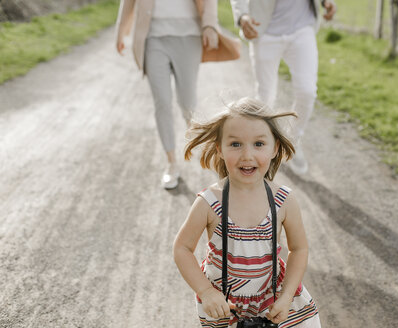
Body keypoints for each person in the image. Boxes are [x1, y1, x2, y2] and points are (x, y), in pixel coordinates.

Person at [173, 97, 321, 327]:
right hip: (224, 304)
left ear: (275, 149)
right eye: (235, 144)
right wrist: (206, 292)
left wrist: (287, 296)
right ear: (219, 149)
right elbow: (182, 248)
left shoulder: (284, 201)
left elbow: (299, 248)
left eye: (258, 144)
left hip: (274, 297)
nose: (247, 155)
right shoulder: (210, 202)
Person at [115, 0, 219, 189]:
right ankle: (171, 162)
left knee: (188, 104)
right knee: (162, 102)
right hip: (153, 37)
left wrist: (210, 24)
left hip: (189, 36)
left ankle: (203, 151)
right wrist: (121, 31)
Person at [229, 0, 337, 175]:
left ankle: (292, 141)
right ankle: (264, 148)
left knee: (307, 92)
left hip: (302, 28)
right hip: (265, 30)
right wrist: (242, 15)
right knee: (265, 97)